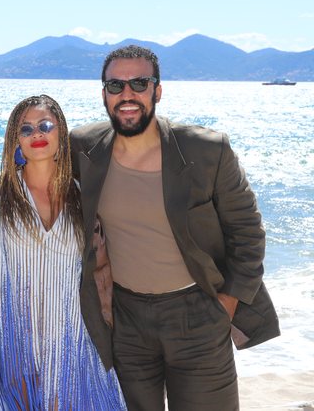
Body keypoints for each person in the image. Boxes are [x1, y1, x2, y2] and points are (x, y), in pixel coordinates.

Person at [69, 44, 280, 410]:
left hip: (197, 313)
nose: (127, 94)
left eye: (139, 82)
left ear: (158, 91)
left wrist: (226, 304)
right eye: (116, 86)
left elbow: (247, 233)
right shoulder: (84, 148)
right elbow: (35, 166)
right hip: (126, 318)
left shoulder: (205, 151)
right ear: (104, 94)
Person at [0, 95, 126, 409]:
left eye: (46, 125)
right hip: (9, 346)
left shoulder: (83, 198)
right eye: (26, 128)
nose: (37, 134)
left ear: (61, 133)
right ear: (14, 140)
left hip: (72, 347)